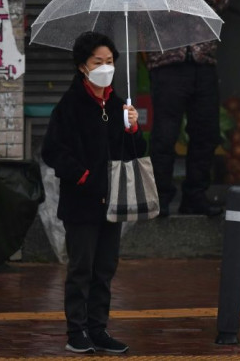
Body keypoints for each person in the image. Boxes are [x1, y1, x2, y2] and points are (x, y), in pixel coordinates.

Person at [41, 31, 146, 355]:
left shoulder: (118, 105)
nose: (105, 67)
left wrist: (133, 128)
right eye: (97, 62)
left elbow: (135, 153)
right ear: (82, 67)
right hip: (82, 202)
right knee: (81, 268)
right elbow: (52, 150)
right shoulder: (70, 105)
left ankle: (98, 329)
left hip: (112, 200)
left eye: (110, 61)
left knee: (104, 269)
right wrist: (82, 175)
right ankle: (77, 332)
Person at [141, 0, 229, 217]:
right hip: (168, 65)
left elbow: (221, 4)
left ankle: (196, 196)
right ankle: (161, 198)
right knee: (165, 135)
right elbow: (149, 18)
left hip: (203, 63)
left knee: (205, 133)